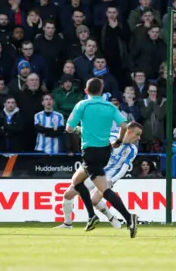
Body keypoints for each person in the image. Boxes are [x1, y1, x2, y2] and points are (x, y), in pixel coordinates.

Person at [65, 78, 138, 237]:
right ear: (102, 91)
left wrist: (80, 130)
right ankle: (92, 216)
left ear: (86, 91)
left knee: (103, 190)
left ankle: (128, 217)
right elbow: (125, 126)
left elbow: (69, 128)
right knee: (76, 181)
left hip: (90, 151)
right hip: (105, 151)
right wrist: (119, 140)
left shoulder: (82, 105)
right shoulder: (110, 106)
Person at [57, 122, 142, 229]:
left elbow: (124, 169)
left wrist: (112, 181)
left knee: (94, 200)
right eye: (137, 134)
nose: (139, 138)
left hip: (109, 177)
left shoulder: (132, 150)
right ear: (129, 132)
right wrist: (78, 129)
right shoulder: (111, 136)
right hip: (94, 170)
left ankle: (112, 218)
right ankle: (68, 224)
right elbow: (93, 135)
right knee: (68, 194)